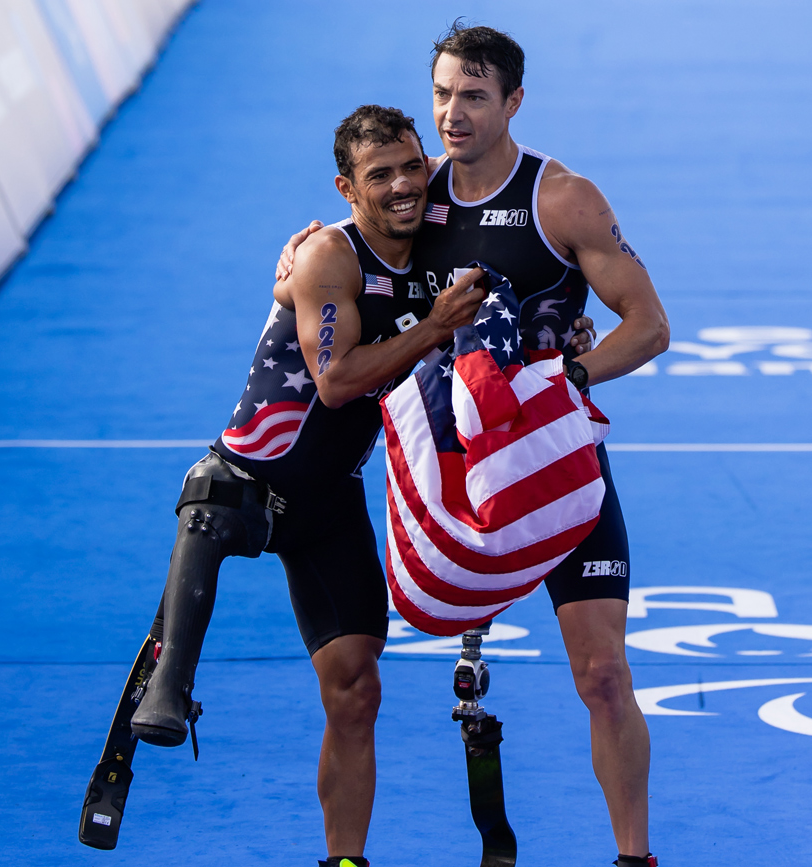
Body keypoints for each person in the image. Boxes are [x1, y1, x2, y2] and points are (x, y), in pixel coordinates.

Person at [128, 104, 593, 867]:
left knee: (356, 691)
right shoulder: (325, 258)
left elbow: (525, 291)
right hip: (249, 479)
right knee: (208, 503)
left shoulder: (442, 240)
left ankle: (343, 860)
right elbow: (337, 381)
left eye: (414, 166)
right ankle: (168, 678)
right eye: (382, 176)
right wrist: (433, 327)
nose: (406, 185)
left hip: (330, 504)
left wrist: (571, 332)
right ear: (347, 187)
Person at [277, 24, 671, 867]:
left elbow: (649, 327)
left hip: (555, 465)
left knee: (601, 673)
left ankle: (635, 857)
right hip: (452, 476)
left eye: (475, 97)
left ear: (514, 103)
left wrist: (569, 381)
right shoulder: (413, 198)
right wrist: (295, 268)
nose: (453, 115)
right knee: (356, 682)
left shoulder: (562, 197)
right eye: (443, 95)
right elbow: (341, 268)